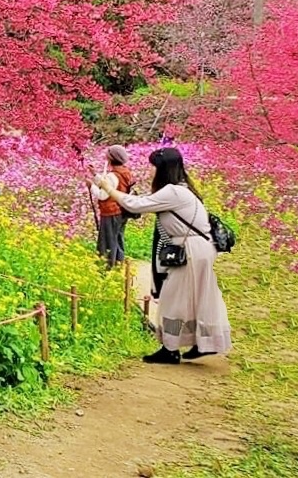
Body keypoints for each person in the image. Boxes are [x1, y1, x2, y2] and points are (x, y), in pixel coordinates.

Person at [99, 147, 232, 364]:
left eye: (156, 168)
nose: (153, 173)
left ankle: (170, 349)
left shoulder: (173, 191)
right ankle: (203, 342)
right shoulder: (184, 189)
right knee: (198, 297)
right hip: (200, 249)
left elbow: (136, 204)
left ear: (164, 170)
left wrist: (108, 188)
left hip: (189, 251)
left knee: (172, 298)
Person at [90, 145, 135, 270]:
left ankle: (106, 269)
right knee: (118, 238)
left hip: (110, 212)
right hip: (122, 211)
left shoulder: (112, 175)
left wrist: (91, 186)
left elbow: (103, 194)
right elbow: (108, 184)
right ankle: (119, 266)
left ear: (110, 159)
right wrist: (95, 175)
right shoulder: (125, 172)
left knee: (108, 242)